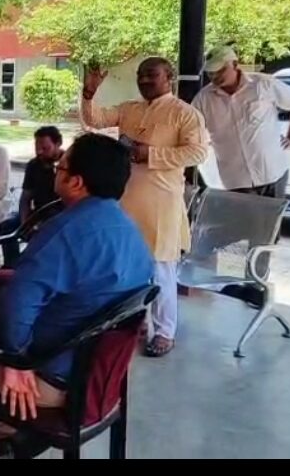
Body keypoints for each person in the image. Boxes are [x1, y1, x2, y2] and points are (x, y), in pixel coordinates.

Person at [0, 133, 154, 456]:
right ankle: (14, 438)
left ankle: (11, 440)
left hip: (48, 376)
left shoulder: (65, 231)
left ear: (76, 182)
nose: (56, 170)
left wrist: (17, 359)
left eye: (61, 166)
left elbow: (15, 307)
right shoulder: (130, 230)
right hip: (94, 376)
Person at [82, 57, 207, 358]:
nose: (144, 80)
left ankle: (165, 332)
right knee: (126, 265)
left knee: (160, 268)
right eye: (141, 75)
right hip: (126, 201)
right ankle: (134, 320)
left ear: (169, 76)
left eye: (151, 74)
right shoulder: (130, 109)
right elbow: (95, 120)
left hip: (161, 204)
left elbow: (197, 153)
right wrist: (89, 94)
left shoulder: (184, 113)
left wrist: (150, 154)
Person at [192, 45, 290, 198]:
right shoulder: (203, 99)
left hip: (273, 173)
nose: (215, 76)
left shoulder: (263, 84)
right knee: (243, 215)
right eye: (210, 72)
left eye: (220, 70)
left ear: (235, 64)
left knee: (272, 214)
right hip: (237, 180)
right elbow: (190, 129)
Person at [0, 126, 66, 267]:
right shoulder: (34, 165)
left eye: (45, 148)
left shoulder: (67, 166)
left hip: (61, 215)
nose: (39, 152)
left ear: (58, 144)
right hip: (38, 212)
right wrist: (25, 224)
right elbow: (26, 198)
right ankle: (12, 265)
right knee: (7, 226)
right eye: (37, 147)